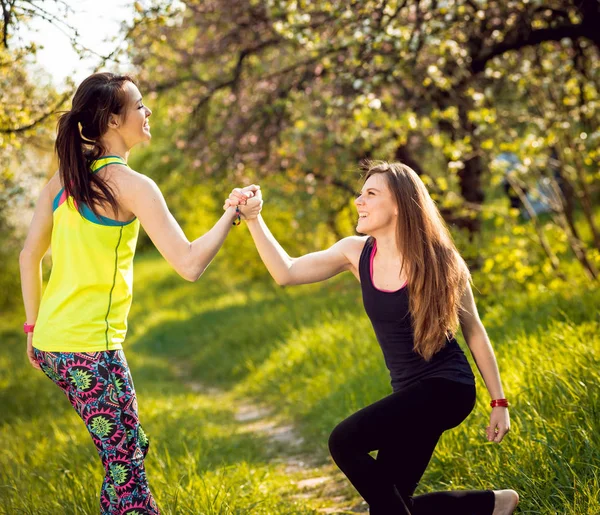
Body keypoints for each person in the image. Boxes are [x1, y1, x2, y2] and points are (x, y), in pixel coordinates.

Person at [19, 72, 261, 515]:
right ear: (113, 120)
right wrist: (231, 214)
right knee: (125, 465)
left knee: (126, 455)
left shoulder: (64, 180)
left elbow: (28, 256)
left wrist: (32, 329)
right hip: (88, 348)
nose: (148, 112)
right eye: (139, 105)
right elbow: (189, 264)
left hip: (59, 345)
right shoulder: (131, 185)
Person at [224, 161, 519, 515]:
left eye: (371, 193)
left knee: (344, 441)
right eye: (360, 193)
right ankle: (493, 504)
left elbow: (474, 331)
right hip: (407, 392)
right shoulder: (356, 252)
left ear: (399, 204)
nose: (358, 201)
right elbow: (286, 272)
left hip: (447, 388)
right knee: (391, 502)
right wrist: (255, 219)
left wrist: (498, 402)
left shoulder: (442, 260)